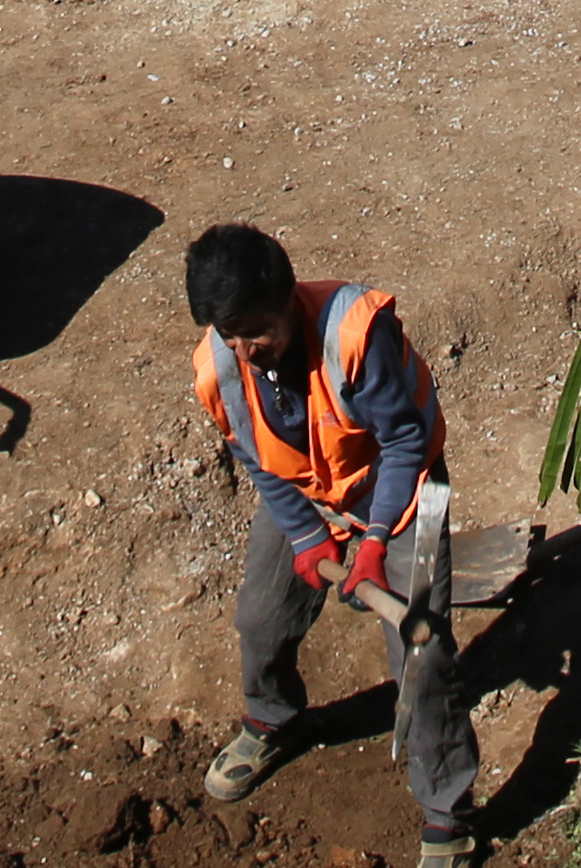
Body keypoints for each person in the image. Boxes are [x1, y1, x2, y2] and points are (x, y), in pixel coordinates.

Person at [186, 221, 476, 863]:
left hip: (396, 487)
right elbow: (256, 459)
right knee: (261, 618)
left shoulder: (354, 332)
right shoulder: (220, 367)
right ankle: (273, 718)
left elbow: (403, 442)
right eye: (231, 335)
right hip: (309, 493)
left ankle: (447, 817)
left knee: (420, 656)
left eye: (256, 331)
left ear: (289, 300)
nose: (246, 348)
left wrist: (373, 543)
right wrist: (307, 536)